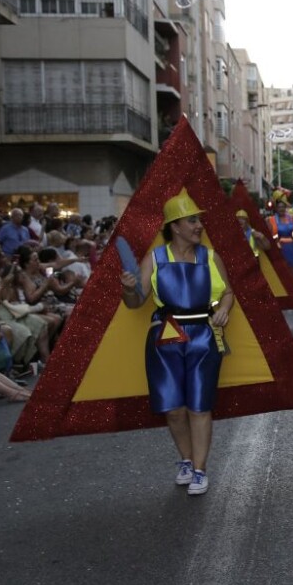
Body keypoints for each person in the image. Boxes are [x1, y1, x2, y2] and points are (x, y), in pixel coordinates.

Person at [120, 192, 233, 496]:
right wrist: (128, 290)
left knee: (199, 405)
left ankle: (199, 469)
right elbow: (135, 302)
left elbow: (228, 293)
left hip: (203, 336)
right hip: (165, 336)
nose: (199, 225)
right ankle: (185, 459)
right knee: (173, 409)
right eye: (192, 220)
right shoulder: (155, 259)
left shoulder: (210, 257)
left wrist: (223, 308)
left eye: (199, 220)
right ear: (175, 226)